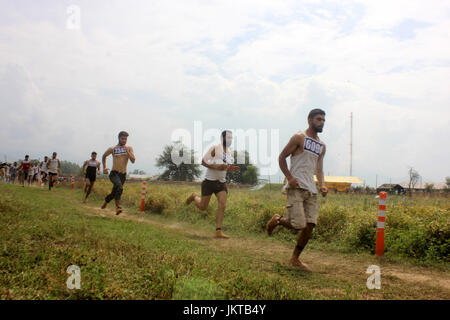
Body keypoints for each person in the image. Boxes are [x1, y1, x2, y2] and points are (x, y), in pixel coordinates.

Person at [266, 109, 328, 272]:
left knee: (310, 225)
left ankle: (295, 258)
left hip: (311, 190)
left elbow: (319, 168)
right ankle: (278, 220)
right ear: (309, 120)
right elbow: (281, 157)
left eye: (323, 120)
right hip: (296, 187)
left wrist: (322, 184)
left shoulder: (322, 146)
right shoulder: (299, 137)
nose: (321, 122)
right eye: (318, 119)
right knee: (299, 224)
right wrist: (289, 177)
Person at [186, 130, 240, 239]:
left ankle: (218, 231)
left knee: (223, 204)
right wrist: (217, 167)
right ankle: (194, 196)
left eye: (231, 138)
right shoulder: (216, 148)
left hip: (221, 183)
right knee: (203, 207)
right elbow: (203, 161)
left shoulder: (229, 153)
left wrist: (231, 169)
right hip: (209, 182)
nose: (230, 140)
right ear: (222, 138)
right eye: (228, 137)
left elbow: (225, 167)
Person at [101, 131, 135, 215]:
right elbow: (104, 156)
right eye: (122, 139)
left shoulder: (129, 148)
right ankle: (118, 208)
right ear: (119, 138)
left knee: (114, 192)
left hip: (123, 175)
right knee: (120, 188)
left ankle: (106, 201)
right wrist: (104, 167)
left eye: (126, 139)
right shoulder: (113, 148)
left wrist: (128, 152)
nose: (124, 140)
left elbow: (133, 160)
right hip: (114, 173)